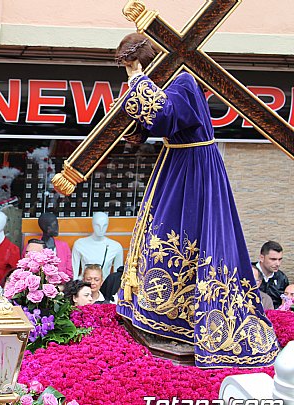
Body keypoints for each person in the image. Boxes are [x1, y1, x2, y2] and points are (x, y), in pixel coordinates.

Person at [114, 33, 278, 368]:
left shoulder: (184, 80)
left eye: (135, 66)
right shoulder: (172, 83)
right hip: (178, 165)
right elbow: (163, 119)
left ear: (148, 62)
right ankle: (165, 315)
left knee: (185, 238)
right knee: (160, 239)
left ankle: (191, 323)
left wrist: (135, 77)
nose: (133, 74)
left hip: (195, 174)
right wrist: (139, 130)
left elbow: (165, 116)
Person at [72, 212, 124, 280]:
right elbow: (74, 274)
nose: (101, 228)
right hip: (84, 286)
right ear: (93, 224)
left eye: (104, 225)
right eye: (97, 225)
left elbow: (118, 276)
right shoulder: (79, 244)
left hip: (105, 287)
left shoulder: (116, 247)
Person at [36, 213, 73, 277]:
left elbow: (69, 272)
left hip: (61, 285)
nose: (57, 227)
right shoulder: (32, 246)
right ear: (46, 228)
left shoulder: (64, 246)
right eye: (54, 225)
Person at [256, 241, 289, 308]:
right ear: (262, 258)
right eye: (273, 259)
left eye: (280, 259)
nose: (278, 264)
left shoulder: (282, 278)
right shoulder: (248, 273)